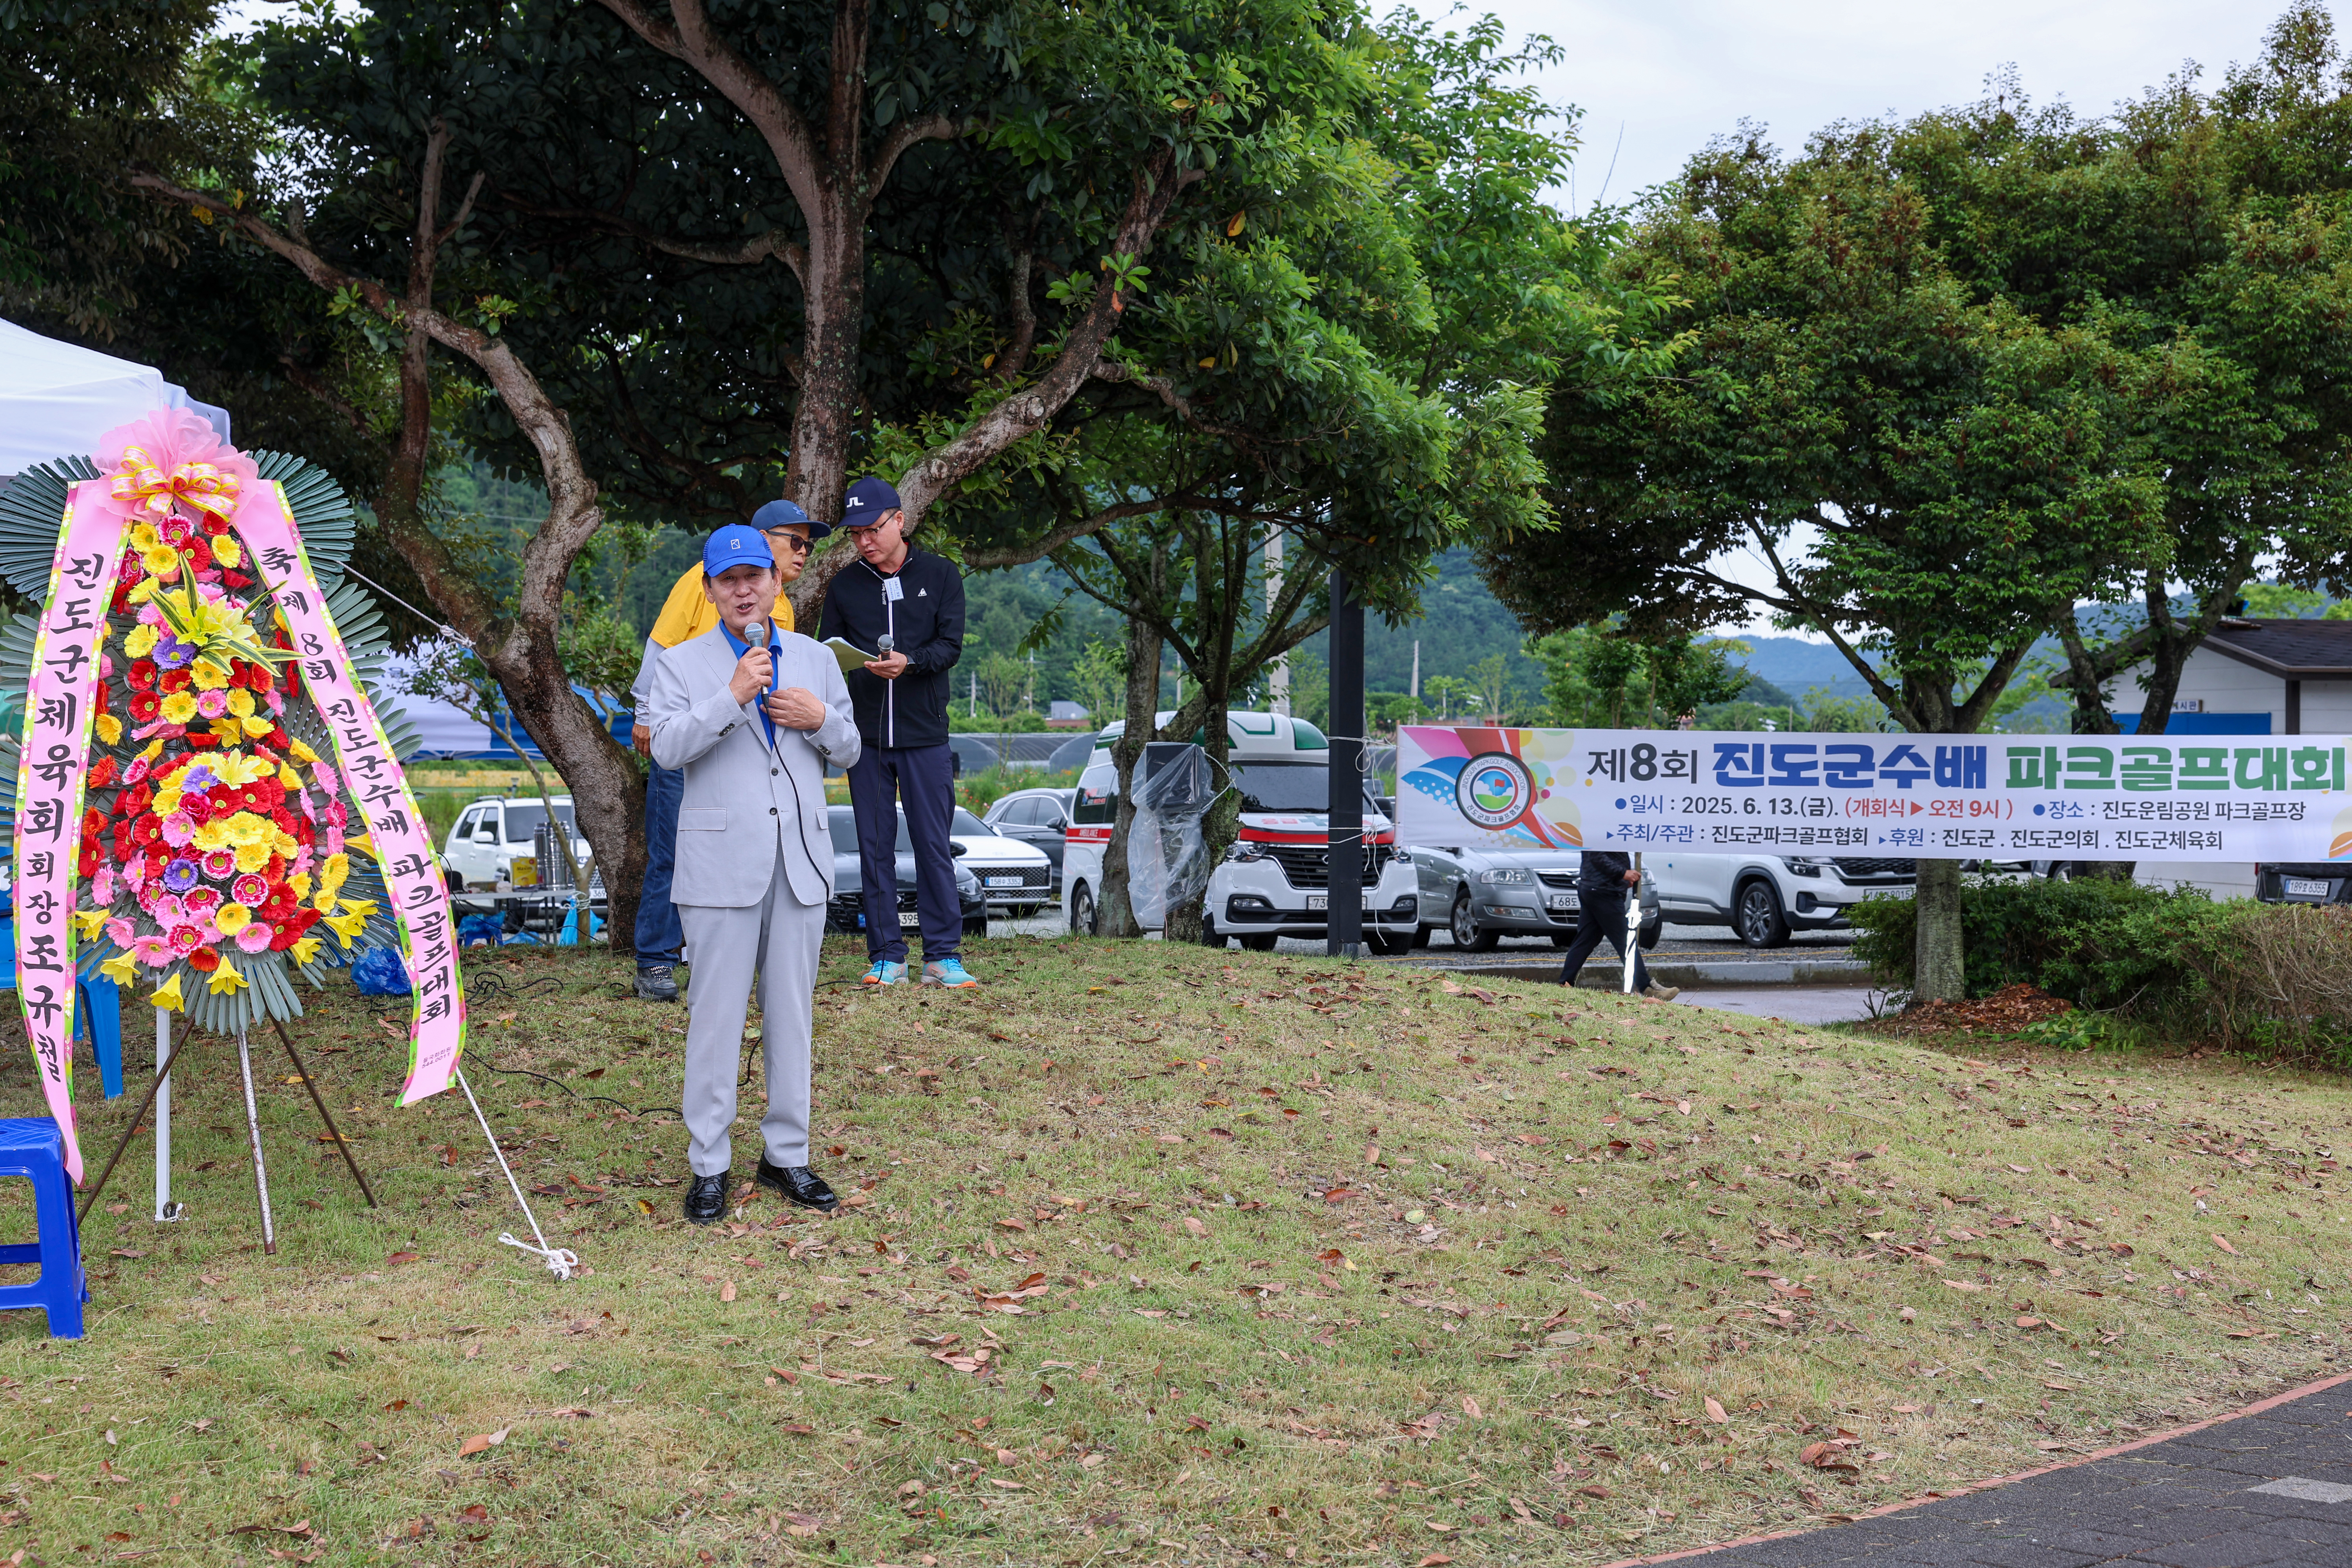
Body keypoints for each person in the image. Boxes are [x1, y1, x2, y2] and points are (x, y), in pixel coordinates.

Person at [645, 523, 859, 1221]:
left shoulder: (815, 659)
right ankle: (709, 1165)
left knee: (792, 1015)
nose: (744, 590)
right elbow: (667, 748)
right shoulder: (681, 664)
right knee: (715, 1019)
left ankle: (786, 1157)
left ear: (775, 584)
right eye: (728, 580)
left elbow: (851, 747)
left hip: (798, 862)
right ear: (709, 591)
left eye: (755, 577)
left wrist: (820, 716)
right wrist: (732, 695)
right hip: (718, 869)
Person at [628, 499, 826, 1001]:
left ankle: (749, 960)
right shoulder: (705, 578)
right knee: (675, 849)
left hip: (760, 750)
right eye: (796, 541)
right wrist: (646, 715)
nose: (804, 552)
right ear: (764, 537)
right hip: (699, 733)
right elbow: (661, 647)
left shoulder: (781, 602)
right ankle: (656, 957)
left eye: (810, 543)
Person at [819, 475, 972, 988]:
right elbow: (828, 651)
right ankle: (888, 956)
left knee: (933, 844)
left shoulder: (941, 574)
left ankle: (942, 956)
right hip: (865, 739)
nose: (864, 541)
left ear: (899, 521)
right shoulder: (844, 586)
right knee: (874, 845)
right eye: (855, 534)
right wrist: (853, 663)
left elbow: (951, 645)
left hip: (926, 736)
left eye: (872, 529)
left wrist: (910, 664)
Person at [1555, 849, 1681, 1002]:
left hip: (1597, 888)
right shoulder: (1601, 828)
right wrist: (1623, 873)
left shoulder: (1603, 829)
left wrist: (1621, 877)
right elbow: (1596, 856)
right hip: (1604, 891)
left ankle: (1565, 983)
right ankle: (1647, 987)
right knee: (1625, 941)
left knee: (1586, 940)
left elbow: (1604, 856)